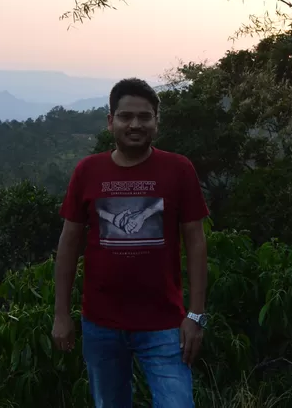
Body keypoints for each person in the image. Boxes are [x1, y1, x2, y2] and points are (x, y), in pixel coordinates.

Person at [52, 77, 209, 408]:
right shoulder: (88, 171)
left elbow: (195, 242)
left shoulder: (178, 169)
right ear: (111, 121)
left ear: (156, 121)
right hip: (101, 324)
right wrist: (61, 314)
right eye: (126, 116)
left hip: (165, 324)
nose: (135, 124)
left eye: (144, 116)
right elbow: (68, 245)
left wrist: (195, 315)